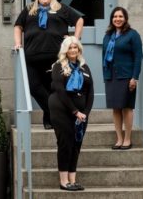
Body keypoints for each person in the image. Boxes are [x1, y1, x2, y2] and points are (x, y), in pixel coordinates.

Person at [14, 0, 84, 129]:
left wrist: (75, 39)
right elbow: (18, 26)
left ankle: (48, 119)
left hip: (55, 58)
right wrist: (18, 43)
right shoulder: (29, 10)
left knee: (53, 88)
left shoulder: (61, 9)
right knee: (34, 87)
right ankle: (54, 111)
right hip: (32, 57)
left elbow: (79, 20)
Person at [48, 37, 94, 191]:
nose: (73, 50)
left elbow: (91, 92)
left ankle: (72, 180)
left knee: (76, 144)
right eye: (70, 47)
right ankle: (63, 181)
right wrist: (75, 112)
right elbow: (60, 91)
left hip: (81, 114)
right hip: (61, 109)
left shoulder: (84, 67)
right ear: (65, 50)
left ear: (79, 49)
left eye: (76, 47)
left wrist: (85, 113)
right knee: (65, 143)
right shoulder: (58, 66)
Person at [103, 6, 143, 150]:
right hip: (111, 76)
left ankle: (127, 139)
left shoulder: (133, 35)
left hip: (126, 76)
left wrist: (135, 77)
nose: (117, 19)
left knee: (127, 107)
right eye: (115, 16)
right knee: (115, 108)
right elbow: (104, 56)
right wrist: (105, 75)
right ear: (111, 19)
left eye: (120, 16)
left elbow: (138, 57)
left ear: (125, 18)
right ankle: (119, 139)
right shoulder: (108, 35)